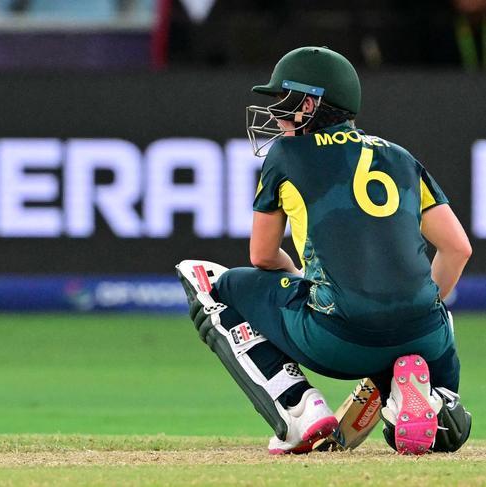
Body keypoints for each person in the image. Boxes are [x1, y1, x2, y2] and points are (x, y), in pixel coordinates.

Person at [176, 46, 473, 455]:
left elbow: (262, 256)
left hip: (338, 340)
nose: (277, 115)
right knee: (440, 429)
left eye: (284, 102)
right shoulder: (400, 156)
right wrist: (414, 314)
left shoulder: (287, 154)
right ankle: (434, 405)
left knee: (212, 284)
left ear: (309, 104)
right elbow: (458, 249)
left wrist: (302, 284)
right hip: (427, 335)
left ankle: (299, 411)